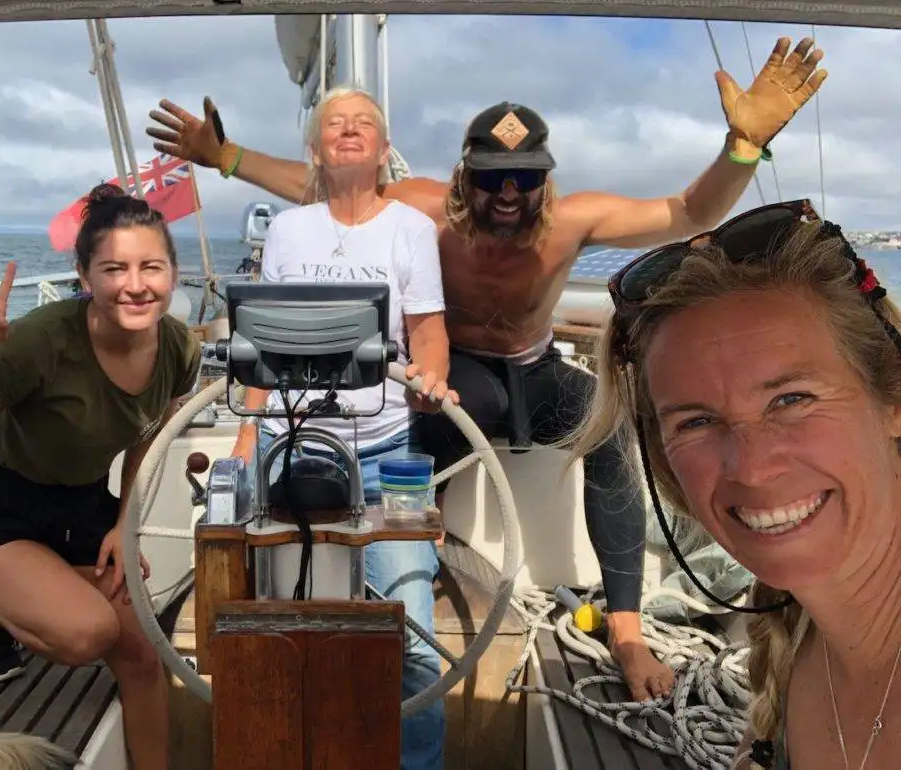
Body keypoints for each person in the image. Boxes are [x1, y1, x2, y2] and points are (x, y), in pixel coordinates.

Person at [145, 36, 827, 700]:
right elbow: (321, 183)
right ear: (465, 177)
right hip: (460, 373)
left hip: (536, 368)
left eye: (525, 178)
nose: (508, 193)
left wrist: (742, 148)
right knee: (420, 425)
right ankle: (411, 561)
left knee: (614, 435)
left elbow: (688, 212)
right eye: (492, 178)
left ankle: (625, 627)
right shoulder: (426, 210)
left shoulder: (574, 221)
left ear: (546, 179)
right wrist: (223, 155)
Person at [567, 199, 901, 770]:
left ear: (891, 400)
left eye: (791, 400)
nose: (751, 467)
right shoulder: (790, 635)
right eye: (696, 421)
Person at [0, 184, 203, 770]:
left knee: (144, 657)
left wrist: (125, 523)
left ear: (173, 273)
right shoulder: (45, 340)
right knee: (88, 633)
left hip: (80, 505)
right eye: (114, 268)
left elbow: (147, 435)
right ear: (84, 275)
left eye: (151, 266)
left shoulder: (177, 349)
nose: (135, 284)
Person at [233, 85, 454, 770]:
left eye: (365, 124)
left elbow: (428, 333)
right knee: (265, 620)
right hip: (288, 442)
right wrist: (245, 435)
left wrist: (431, 383)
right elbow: (260, 339)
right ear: (316, 148)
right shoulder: (288, 230)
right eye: (336, 124)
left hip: (388, 451)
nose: (350, 131)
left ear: (384, 150)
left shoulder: (411, 229)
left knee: (413, 634)